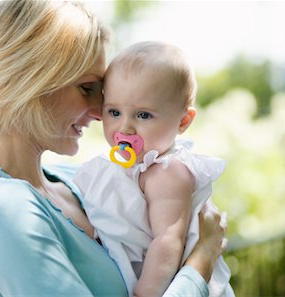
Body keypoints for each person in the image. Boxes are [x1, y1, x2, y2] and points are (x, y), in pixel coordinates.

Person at [0, 1, 227, 296]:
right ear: (27, 80)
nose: (99, 112)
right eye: (86, 88)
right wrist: (202, 261)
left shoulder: (77, 180)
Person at [73, 41, 235, 297]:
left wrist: (144, 294)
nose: (124, 128)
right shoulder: (129, 167)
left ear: (183, 121)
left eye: (143, 115)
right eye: (114, 112)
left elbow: (168, 241)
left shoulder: (167, 172)